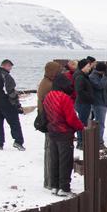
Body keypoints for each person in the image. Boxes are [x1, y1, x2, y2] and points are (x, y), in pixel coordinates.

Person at [42, 74, 84, 196]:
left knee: (54, 160)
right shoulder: (64, 98)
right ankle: (64, 188)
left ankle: (54, 186)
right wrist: (81, 127)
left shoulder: (48, 96)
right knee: (65, 161)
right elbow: (71, 118)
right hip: (64, 132)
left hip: (52, 131)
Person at [37, 61, 62, 189]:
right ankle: (49, 181)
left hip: (48, 120)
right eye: (58, 70)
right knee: (50, 151)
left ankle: (49, 181)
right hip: (48, 120)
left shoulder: (47, 81)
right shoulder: (48, 84)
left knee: (50, 150)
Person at [73, 58, 94, 149]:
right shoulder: (80, 77)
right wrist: (90, 97)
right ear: (83, 67)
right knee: (82, 122)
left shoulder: (83, 75)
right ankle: (81, 142)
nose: (90, 68)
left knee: (82, 121)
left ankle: (81, 141)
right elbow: (79, 91)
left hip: (84, 102)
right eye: (88, 66)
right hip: (83, 103)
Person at [89, 62, 107, 149]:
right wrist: (105, 77)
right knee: (100, 123)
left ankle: (97, 140)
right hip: (98, 103)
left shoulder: (100, 76)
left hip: (102, 102)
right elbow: (100, 86)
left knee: (99, 123)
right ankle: (99, 142)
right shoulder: (93, 77)